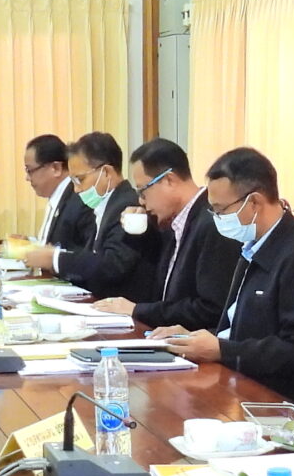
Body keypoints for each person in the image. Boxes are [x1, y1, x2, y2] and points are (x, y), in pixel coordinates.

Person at [151, 147, 294, 417]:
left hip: (279, 406)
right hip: (238, 384)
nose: (217, 219)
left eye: (221, 210)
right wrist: (196, 337)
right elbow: (241, 329)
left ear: (254, 203)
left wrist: (222, 350)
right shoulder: (252, 247)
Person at [92, 138, 239, 331]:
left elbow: (211, 309)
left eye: (143, 191)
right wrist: (137, 230)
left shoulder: (212, 224)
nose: (141, 201)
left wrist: (138, 310)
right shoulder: (173, 221)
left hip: (193, 340)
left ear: (169, 180)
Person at [20, 132, 150, 295]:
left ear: (106, 173)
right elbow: (89, 256)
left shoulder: (127, 206)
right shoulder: (105, 205)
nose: (76, 189)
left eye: (80, 180)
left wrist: (55, 259)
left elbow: (113, 265)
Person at [23, 133, 93, 254]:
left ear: (56, 168)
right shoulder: (57, 197)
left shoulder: (80, 201)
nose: (27, 178)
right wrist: (30, 243)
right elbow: (54, 244)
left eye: (30, 171)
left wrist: (53, 257)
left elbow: (83, 254)